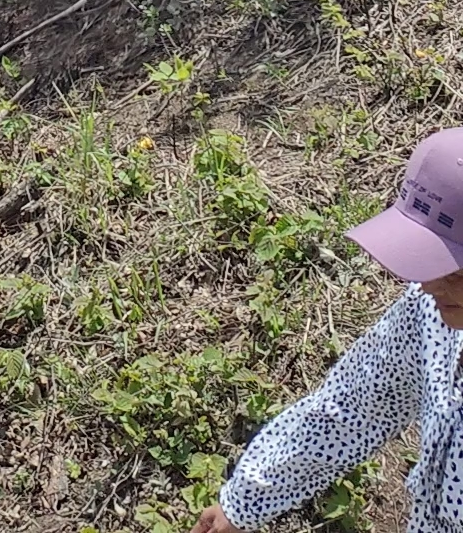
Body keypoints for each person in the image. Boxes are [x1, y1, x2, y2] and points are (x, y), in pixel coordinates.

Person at [193, 127, 463, 532]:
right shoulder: (432, 315)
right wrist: (243, 503)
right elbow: (350, 408)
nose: (426, 283)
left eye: (449, 268)